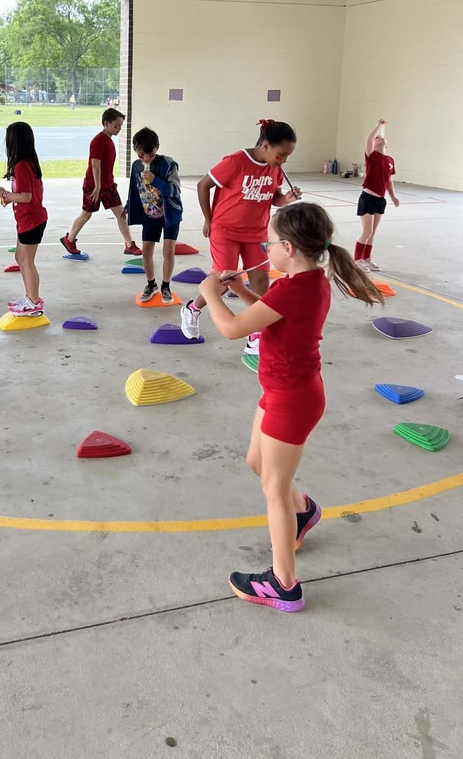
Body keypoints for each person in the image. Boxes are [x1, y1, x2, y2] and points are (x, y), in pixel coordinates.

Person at [199, 201, 383, 612]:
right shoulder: (308, 281)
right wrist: (240, 289)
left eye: (269, 242)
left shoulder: (293, 288)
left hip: (292, 398)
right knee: (256, 462)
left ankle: (284, 584)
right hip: (284, 390)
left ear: (288, 247)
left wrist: (211, 294)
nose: (266, 247)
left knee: (273, 488)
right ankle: (303, 512)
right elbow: (271, 316)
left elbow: (230, 329)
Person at [180, 120, 301, 343]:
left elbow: (275, 198)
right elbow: (203, 185)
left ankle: (258, 334)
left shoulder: (276, 170)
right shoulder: (235, 162)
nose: (283, 160)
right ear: (266, 146)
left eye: (286, 157)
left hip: (256, 233)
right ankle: (192, 308)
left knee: (261, 282)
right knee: (224, 281)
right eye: (281, 154)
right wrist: (208, 219)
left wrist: (287, 199)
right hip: (225, 229)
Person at [60, 108, 142, 257]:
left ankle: (129, 244)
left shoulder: (109, 140)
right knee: (86, 215)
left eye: (120, 126)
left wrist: (106, 184)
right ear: (106, 123)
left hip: (108, 186)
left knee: (121, 214)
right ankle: (69, 239)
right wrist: (97, 186)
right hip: (93, 186)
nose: (119, 129)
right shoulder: (98, 141)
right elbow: (95, 164)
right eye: (116, 126)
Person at [124, 127, 182, 303]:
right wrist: (128, 204)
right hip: (149, 214)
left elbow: (175, 190)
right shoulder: (135, 166)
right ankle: (151, 284)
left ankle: (166, 285)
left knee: (168, 251)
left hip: (169, 214)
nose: (146, 158)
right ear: (135, 151)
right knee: (146, 251)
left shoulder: (167, 164)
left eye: (150, 154)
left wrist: (155, 180)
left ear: (157, 148)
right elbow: (134, 188)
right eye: (142, 155)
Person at [0, 122, 48, 315]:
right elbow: (26, 194)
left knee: (27, 261)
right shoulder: (28, 163)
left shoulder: (21, 165)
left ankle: (34, 302)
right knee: (20, 257)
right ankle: (29, 297)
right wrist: (10, 198)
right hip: (28, 218)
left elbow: (26, 197)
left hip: (31, 220)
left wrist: (5, 194)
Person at [354, 120, 399, 272]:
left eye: (380, 137)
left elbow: (389, 180)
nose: (378, 138)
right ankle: (357, 260)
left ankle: (367, 259)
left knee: (372, 233)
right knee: (366, 231)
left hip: (381, 199)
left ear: (386, 145)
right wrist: (379, 126)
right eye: (376, 138)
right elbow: (368, 139)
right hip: (368, 198)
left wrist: (393, 197)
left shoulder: (390, 160)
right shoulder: (372, 156)